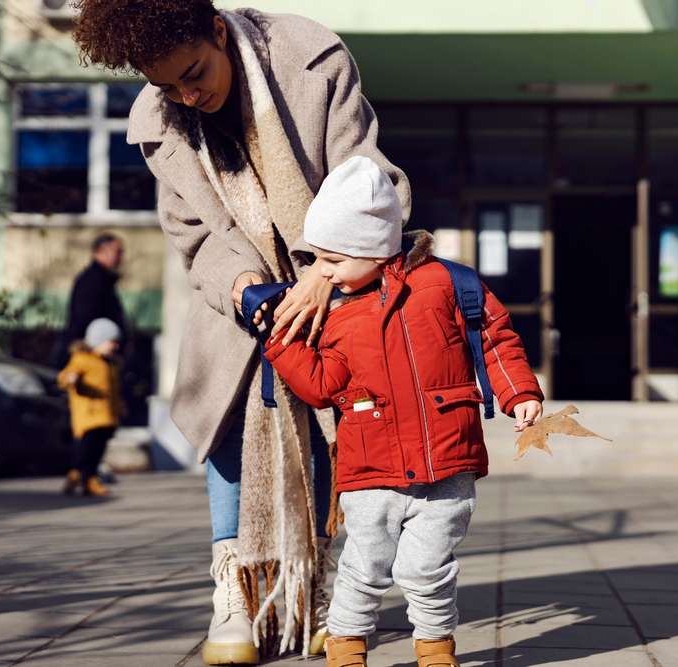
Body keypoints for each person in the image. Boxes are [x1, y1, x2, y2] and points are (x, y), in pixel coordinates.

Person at [70, 1, 410, 663]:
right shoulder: (158, 119)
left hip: (340, 271)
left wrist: (319, 272)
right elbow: (193, 238)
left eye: (195, 72)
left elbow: (367, 181)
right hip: (243, 290)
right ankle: (237, 588)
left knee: (327, 426)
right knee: (231, 405)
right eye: (168, 85)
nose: (187, 95)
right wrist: (239, 285)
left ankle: (315, 585)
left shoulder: (310, 58)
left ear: (218, 31)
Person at [264, 156, 544, 667]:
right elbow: (323, 386)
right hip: (371, 467)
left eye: (331, 259)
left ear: (372, 247)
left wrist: (519, 394)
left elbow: (496, 339)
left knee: (428, 566)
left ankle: (436, 648)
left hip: (447, 462)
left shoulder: (447, 285)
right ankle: (346, 644)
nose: (319, 273)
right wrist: (281, 341)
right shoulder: (335, 311)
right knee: (365, 564)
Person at [58, 318, 124, 497]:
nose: (115, 346)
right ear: (99, 341)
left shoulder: (111, 365)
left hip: (106, 416)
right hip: (89, 416)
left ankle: (90, 480)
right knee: (85, 448)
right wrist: (70, 378)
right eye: (112, 342)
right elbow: (64, 375)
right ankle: (75, 474)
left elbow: (114, 392)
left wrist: (120, 408)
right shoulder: (82, 359)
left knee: (98, 451)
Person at [54, 233, 125, 369]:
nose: (122, 258)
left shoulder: (101, 281)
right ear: (102, 250)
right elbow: (86, 319)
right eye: (118, 252)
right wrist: (104, 342)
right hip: (91, 358)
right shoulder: (92, 282)